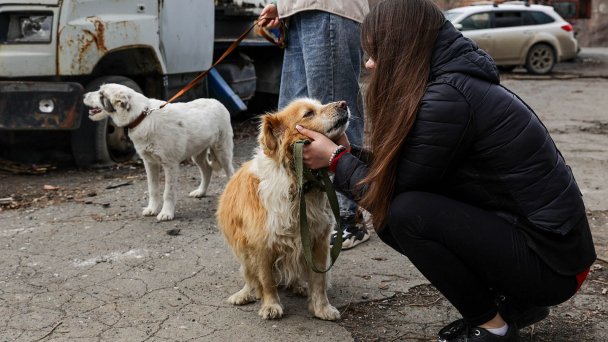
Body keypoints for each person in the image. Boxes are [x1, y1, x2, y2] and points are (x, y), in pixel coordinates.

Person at [294, 0, 597, 341]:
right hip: (555, 252)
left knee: (404, 214)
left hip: (552, 265)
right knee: (402, 209)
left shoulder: (448, 98)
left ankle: (493, 327)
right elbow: (411, 170)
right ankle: (512, 303)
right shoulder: (451, 85)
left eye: (376, 51)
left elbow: (390, 192)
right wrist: (350, 153)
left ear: (401, 47)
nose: (368, 63)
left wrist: (335, 160)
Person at [258, 0, 372, 249]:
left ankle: (349, 218)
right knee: (292, 122)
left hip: (328, 8)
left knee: (335, 117)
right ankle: (296, 214)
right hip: (297, 12)